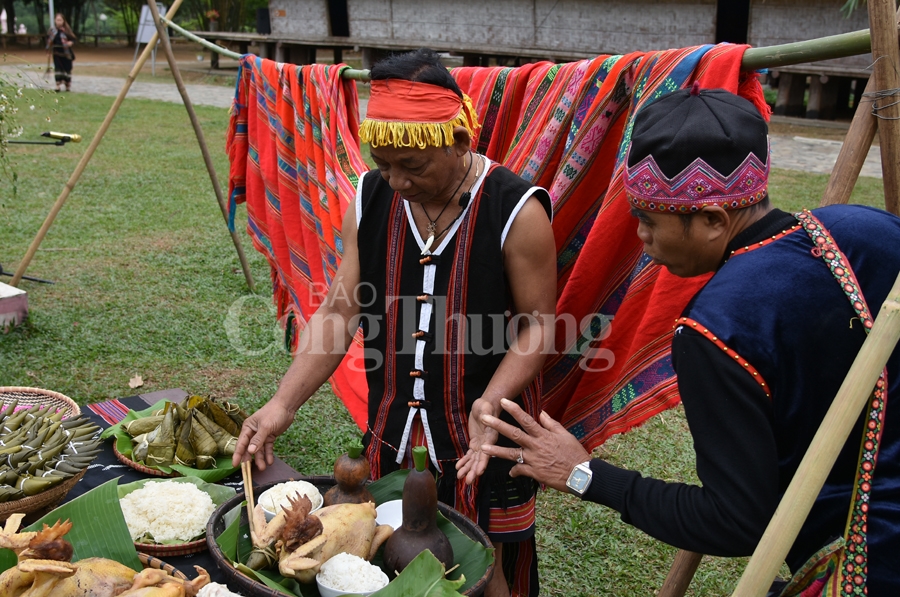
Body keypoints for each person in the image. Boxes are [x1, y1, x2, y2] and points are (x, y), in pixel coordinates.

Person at [472, 84, 900, 594]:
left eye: (649, 221)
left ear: (714, 220)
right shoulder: (869, 228)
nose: (641, 239)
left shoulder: (714, 330)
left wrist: (583, 473)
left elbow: (735, 520)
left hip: (868, 561)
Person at [232, 48, 557, 597]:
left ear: (460, 139)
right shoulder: (370, 197)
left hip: (481, 440)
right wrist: (281, 404)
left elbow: (540, 326)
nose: (397, 181)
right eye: (385, 165)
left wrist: (491, 399)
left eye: (414, 166)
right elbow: (340, 309)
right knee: (387, 562)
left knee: (486, 571)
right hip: (393, 434)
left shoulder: (516, 210)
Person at [46, 13, 75, 92]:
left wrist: (70, 43)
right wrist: (48, 52)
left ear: (63, 21)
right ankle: (57, 85)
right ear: (55, 21)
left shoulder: (67, 31)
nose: (59, 22)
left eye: (60, 20)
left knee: (67, 69)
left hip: (66, 53)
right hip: (57, 53)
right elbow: (49, 42)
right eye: (57, 20)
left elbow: (73, 39)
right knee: (58, 69)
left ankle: (67, 85)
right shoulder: (52, 31)